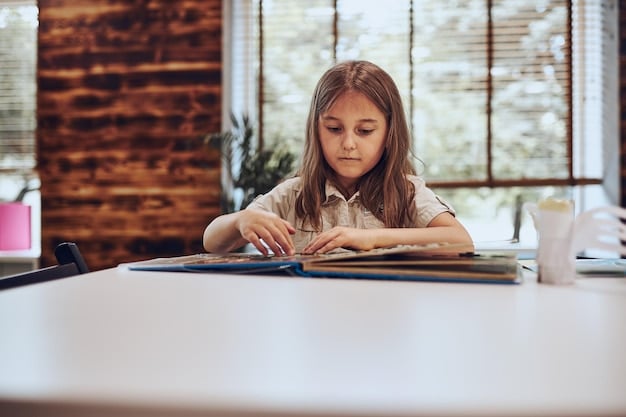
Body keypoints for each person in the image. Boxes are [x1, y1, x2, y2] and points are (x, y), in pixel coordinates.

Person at [203, 60, 473, 256]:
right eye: (334, 129)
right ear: (316, 129)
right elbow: (212, 241)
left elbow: (461, 241)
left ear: (390, 133)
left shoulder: (407, 191)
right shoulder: (294, 194)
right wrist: (241, 221)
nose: (348, 144)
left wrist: (373, 239)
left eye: (365, 131)